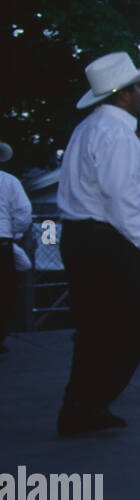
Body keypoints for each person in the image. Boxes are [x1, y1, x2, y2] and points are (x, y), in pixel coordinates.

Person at [56, 52, 140, 436]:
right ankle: (92, 400)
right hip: (107, 239)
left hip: (80, 236)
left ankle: (81, 405)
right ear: (123, 94)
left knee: (93, 327)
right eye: (137, 87)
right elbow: (120, 199)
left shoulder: (87, 128)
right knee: (137, 321)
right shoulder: (119, 135)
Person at [0, 141, 32, 354]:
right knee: (4, 292)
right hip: (2, 242)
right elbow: (23, 212)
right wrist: (14, 234)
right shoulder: (9, 181)